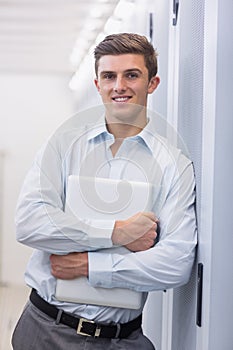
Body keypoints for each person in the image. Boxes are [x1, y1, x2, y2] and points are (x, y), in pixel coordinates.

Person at [12, 33, 197, 350]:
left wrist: (87, 265)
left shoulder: (173, 166)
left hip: (121, 341)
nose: (119, 86)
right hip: (44, 331)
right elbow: (30, 223)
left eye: (132, 75)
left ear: (152, 83)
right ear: (97, 84)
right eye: (109, 76)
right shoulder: (63, 145)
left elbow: (175, 262)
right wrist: (118, 233)